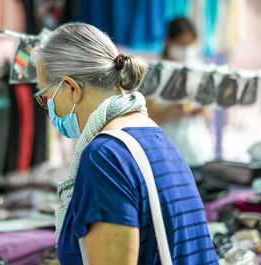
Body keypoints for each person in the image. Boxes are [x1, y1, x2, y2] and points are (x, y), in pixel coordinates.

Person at [32, 23, 218, 265]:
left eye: (46, 99)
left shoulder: (105, 155)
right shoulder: (155, 137)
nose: (50, 110)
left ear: (71, 88)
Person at [147, 17, 214, 178]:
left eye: (190, 44)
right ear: (168, 41)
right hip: (167, 155)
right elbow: (147, 117)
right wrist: (174, 108)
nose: (186, 50)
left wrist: (199, 107)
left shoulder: (199, 70)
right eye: (181, 44)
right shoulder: (155, 73)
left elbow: (208, 117)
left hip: (199, 153)